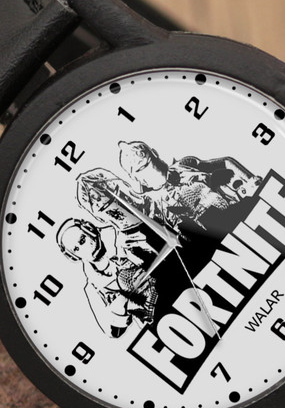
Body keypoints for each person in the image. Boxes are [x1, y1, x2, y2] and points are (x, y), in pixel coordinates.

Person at [117, 140, 261, 229]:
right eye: (142, 169)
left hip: (242, 212)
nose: (152, 170)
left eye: (150, 163)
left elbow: (226, 162)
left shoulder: (186, 164)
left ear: (155, 153)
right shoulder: (153, 206)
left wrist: (250, 180)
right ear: (135, 178)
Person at [56, 218, 158, 338]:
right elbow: (112, 331)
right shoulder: (93, 288)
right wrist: (122, 303)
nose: (82, 246)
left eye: (82, 239)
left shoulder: (123, 235)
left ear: (89, 230)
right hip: (157, 319)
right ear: (74, 257)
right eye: (76, 249)